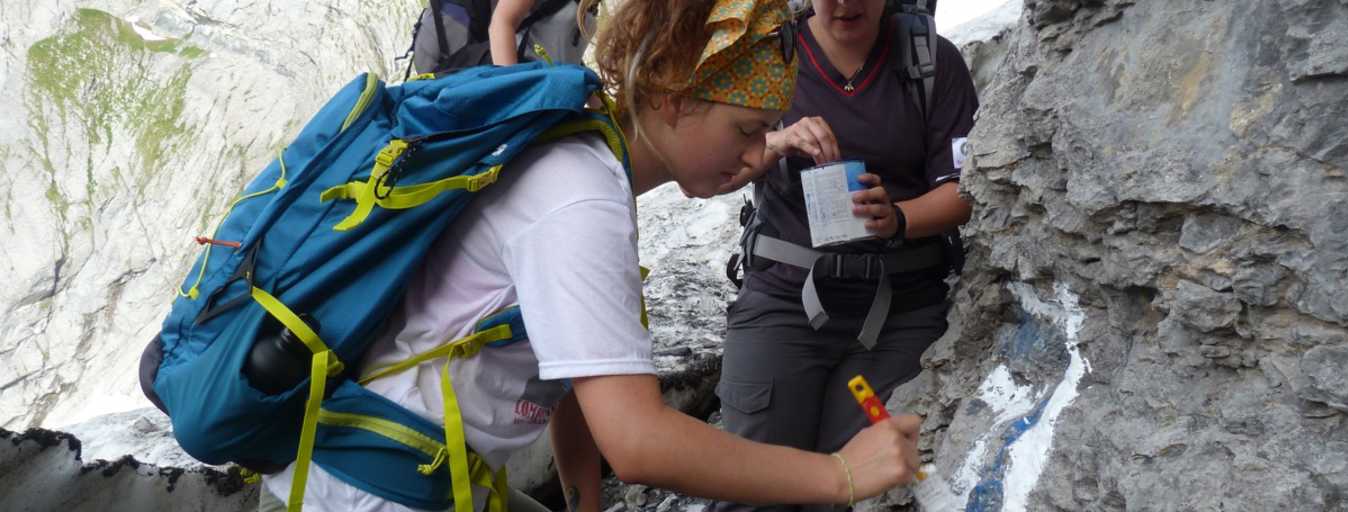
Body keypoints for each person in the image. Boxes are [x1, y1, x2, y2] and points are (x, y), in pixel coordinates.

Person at [258, 0, 923, 510]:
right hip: (373, 487)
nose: (756, 156)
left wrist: (585, 499)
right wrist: (837, 475)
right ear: (669, 97)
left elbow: (583, 379)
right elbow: (635, 440)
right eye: (745, 130)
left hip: (393, 464)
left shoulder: (587, 156)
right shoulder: (580, 198)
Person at [711, 0, 979, 510]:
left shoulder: (930, 59)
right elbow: (709, 175)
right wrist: (776, 140)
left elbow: (965, 189)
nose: (845, 3)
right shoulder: (770, 56)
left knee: (850, 487)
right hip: (783, 301)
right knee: (749, 482)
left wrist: (898, 218)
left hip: (899, 312)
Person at [488, 0, 593, 66]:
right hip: (525, 85)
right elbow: (501, 23)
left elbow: (562, 51)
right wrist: (512, 88)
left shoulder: (592, 5)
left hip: (549, 94)